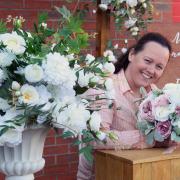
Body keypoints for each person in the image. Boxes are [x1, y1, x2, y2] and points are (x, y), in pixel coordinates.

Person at [77, 32, 172, 180]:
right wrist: (148, 139)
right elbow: (93, 138)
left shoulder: (156, 95)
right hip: (105, 174)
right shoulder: (104, 86)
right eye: (147, 61)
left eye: (159, 66)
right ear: (132, 55)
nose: (151, 70)